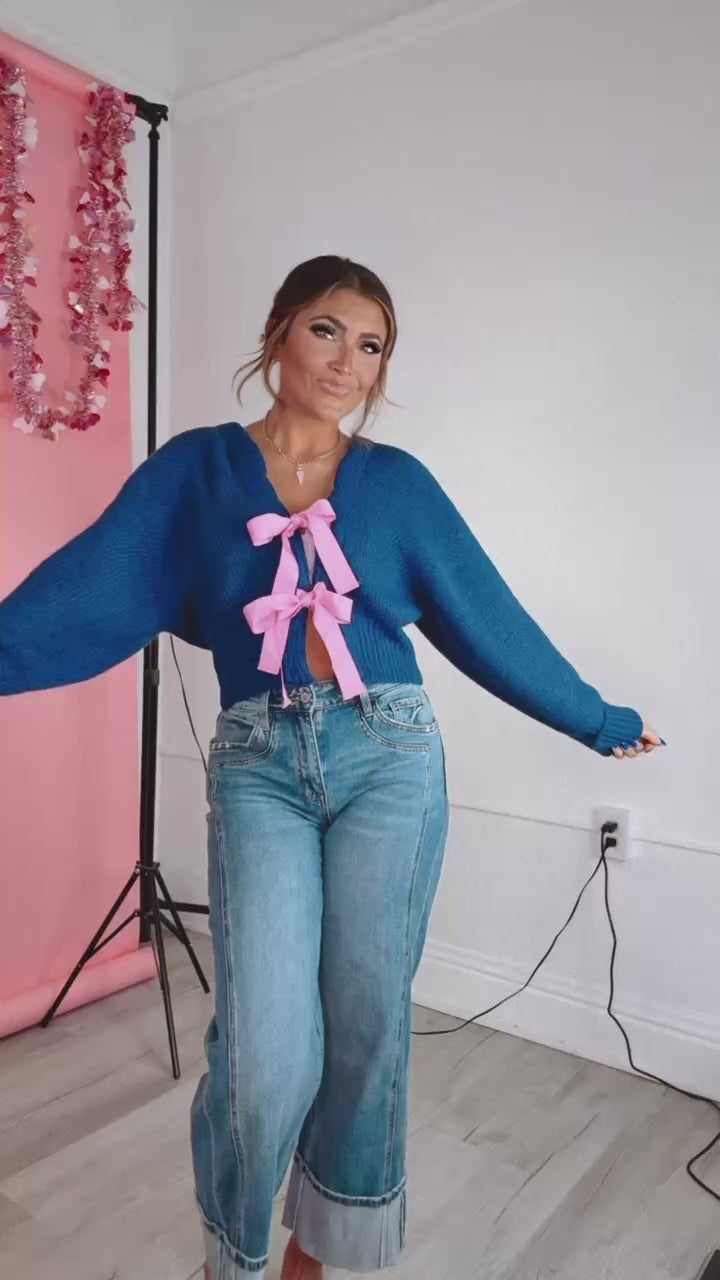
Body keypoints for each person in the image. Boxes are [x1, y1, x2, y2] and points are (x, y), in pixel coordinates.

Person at [0, 255, 663, 1280]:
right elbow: (93, 581)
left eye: (371, 345)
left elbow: (485, 617)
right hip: (256, 761)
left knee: (366, 1025)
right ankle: (234, 1256)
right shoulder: (195, 469)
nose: (348, 361)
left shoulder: (397, 484)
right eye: (327, 330)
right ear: (278, 332)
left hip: (389, 755)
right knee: (263, 1051)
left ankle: (321, 1244)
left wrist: (594, 717)